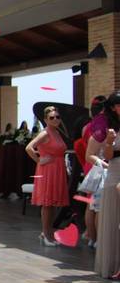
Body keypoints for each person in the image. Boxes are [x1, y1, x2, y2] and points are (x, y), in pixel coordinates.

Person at [25, 106, 70, 247]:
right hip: (48, 170)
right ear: (45, 120)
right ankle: (46, 234)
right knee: (47, 203)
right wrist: (40, 160)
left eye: (57, 117)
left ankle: (48, 233)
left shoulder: (56, 132)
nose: (55, 119)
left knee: (52, 204)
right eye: (52, 117)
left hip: (57, 168)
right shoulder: (45, 133)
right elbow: (29, 147)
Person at [89, 91, 120, 279]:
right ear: (114, 107)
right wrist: (108, 142)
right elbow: (105, 155)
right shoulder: (108, 128)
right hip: (115, 172)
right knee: (114, 221)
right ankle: (113, 265)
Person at [77, 96, 106, 249]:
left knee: (91, 204)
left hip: (90, 165)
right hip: (102, 165)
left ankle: (91, 236)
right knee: (99, 206)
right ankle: (97, 238)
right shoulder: (104, 125)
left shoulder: (87, 127)